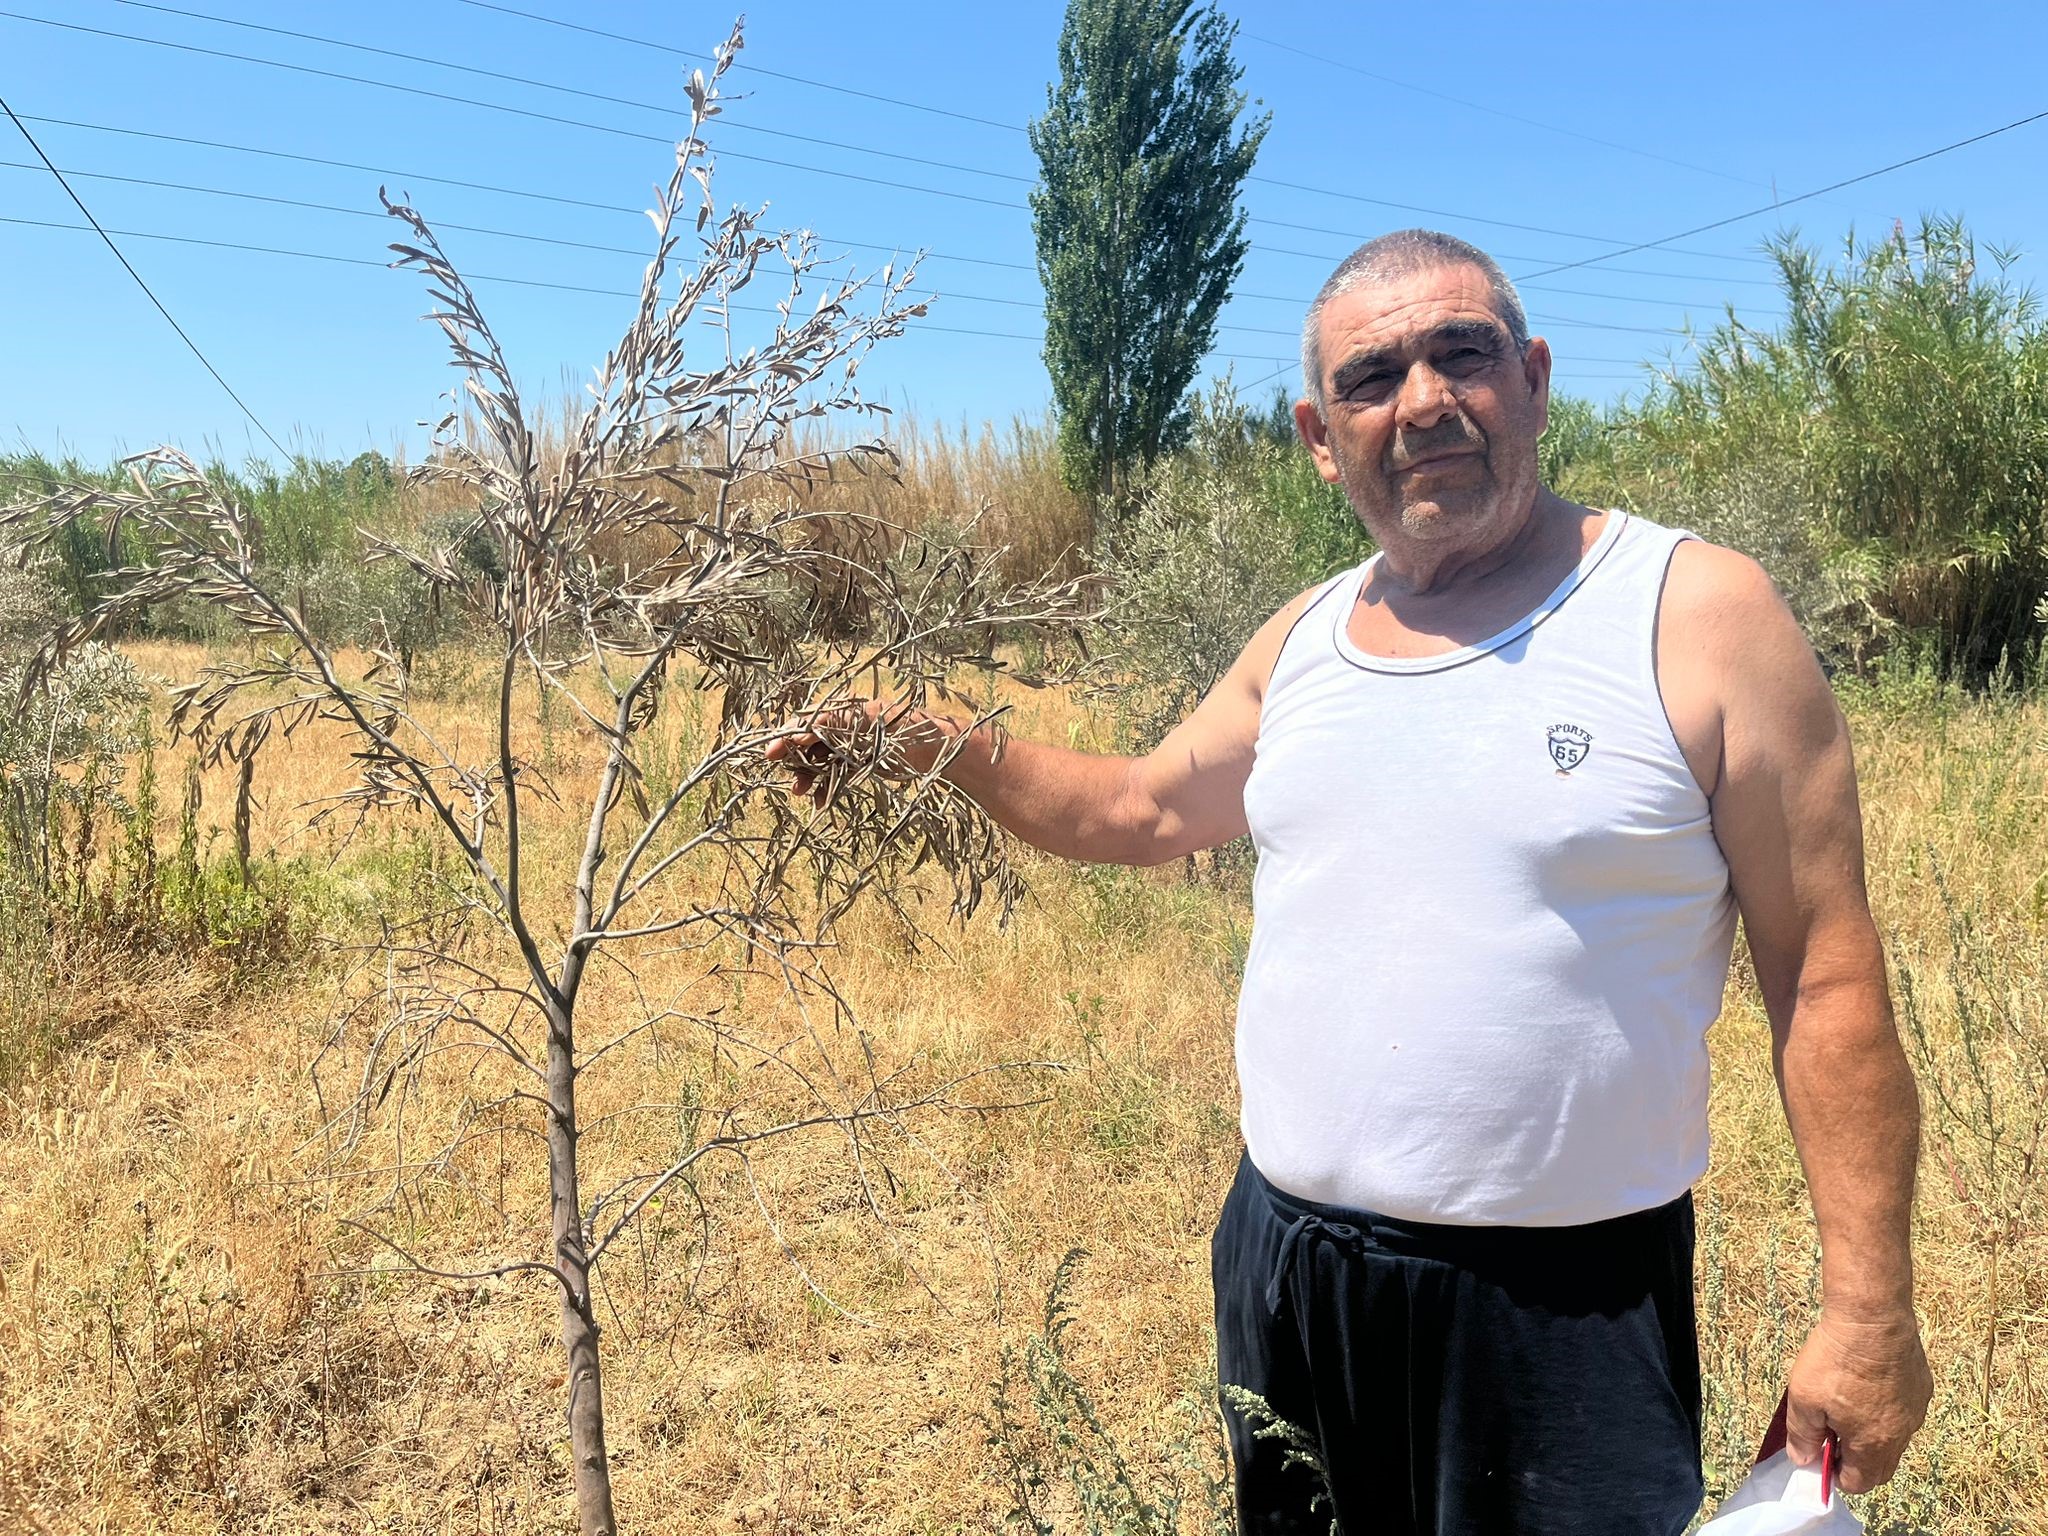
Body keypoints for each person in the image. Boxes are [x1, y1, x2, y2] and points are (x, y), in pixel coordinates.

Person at [768, 229, 1932, 1534]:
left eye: (1463, 353)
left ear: (1534, 379)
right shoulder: (1309, 638)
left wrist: (1869, 1310)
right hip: (1288, 1267)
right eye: (1375, 377)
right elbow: (1143, 807)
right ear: (1324, 438)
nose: (1425, 398)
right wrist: (926, 740)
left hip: (1560, 1311)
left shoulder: (1697, 614)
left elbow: (1827, 973)